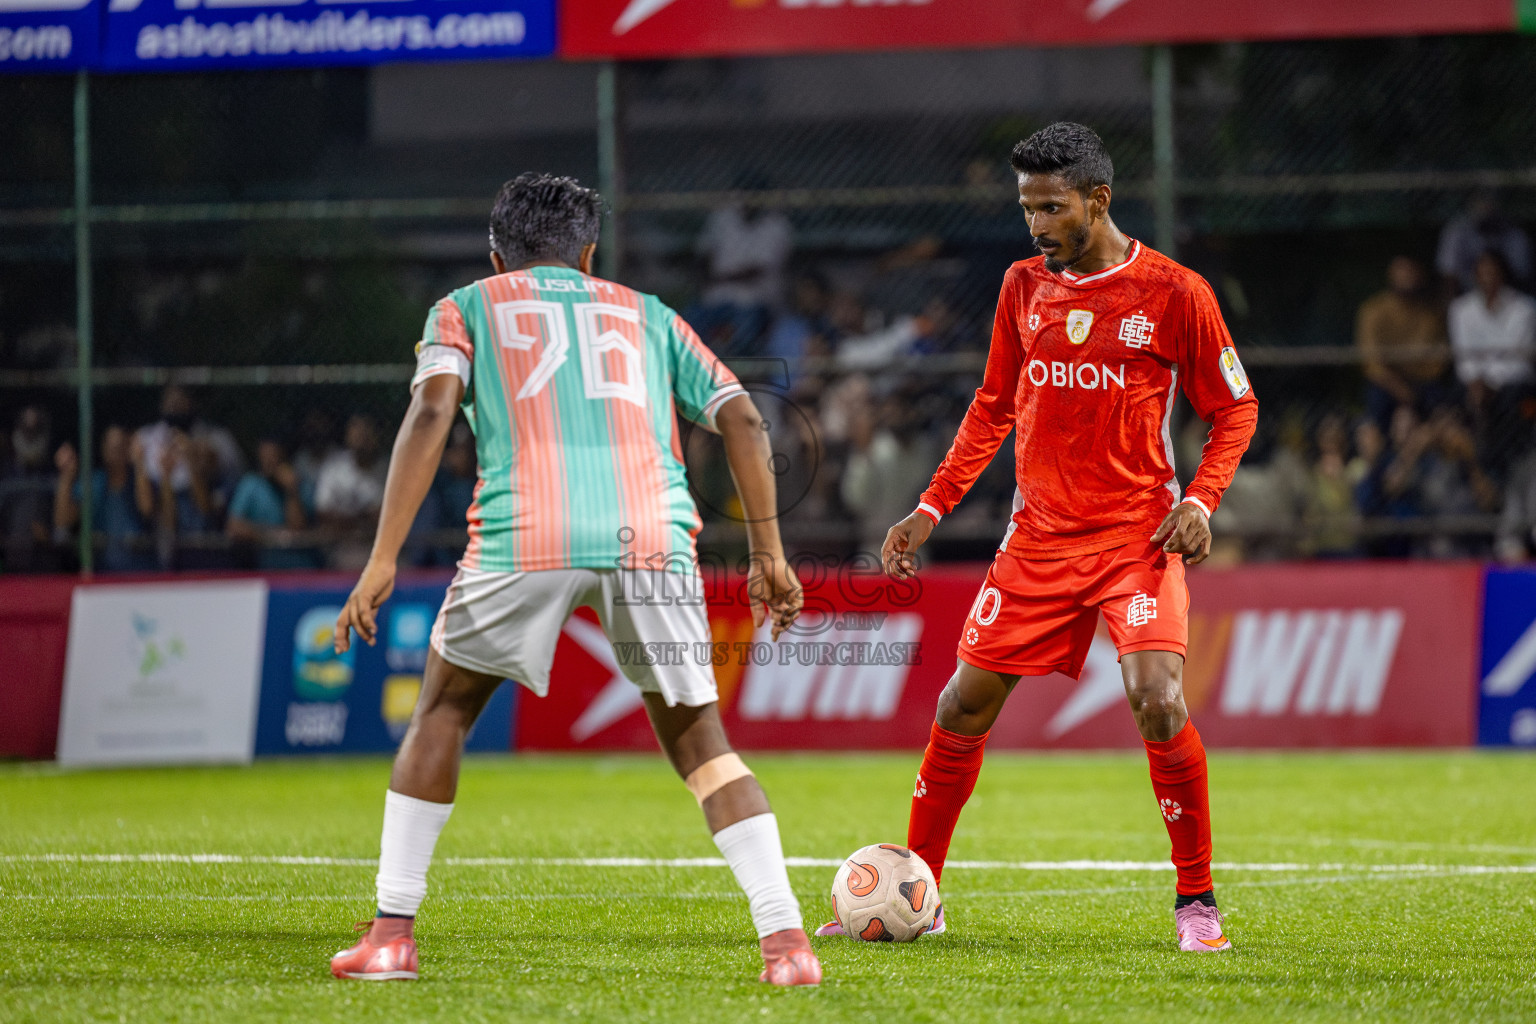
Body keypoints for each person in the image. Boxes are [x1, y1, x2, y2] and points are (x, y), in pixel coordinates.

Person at [328, 173, 819, 987]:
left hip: (526, 532)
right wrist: (768, 553)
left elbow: (432, 411)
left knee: (443, 711)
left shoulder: (465, 306)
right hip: (653, 537)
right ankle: (788, 945)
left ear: (497, 257)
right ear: (590, 255)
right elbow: (741, 415)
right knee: (703, 744)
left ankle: (391, 938)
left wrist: (382, 558)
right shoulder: (649, 313)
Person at [817, 123, 1259, 952]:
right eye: (1027, 207)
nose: (1036, 224)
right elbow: (993, 406)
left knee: (1158, 699)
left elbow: (1236, 408)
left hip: (1135, 538)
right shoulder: (1023, 286)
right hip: (1037, 540)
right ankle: (920, 893)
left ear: (1099, 199)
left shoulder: (1175, 293)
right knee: (961, 704)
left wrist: (1201, 501)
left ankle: (1196, 902)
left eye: (1052, 207)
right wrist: (930, 507)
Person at [1448, 251, 1536, 476]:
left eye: (1493, 272)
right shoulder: (1460, 309)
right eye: (1483, 273)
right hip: (1473, 383)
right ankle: (1471, 466)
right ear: (1475, 276)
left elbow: (1518, 356)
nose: (1488, 278)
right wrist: (1477, 381)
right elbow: (1464, 356)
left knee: (1513, 402)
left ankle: (1502, 465)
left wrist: (1490, 384)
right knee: (1453, 401)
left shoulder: (1525, 308)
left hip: (1513, 382)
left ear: (1503, 274)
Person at [1354, 256, 1450, 428]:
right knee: (1376, 407)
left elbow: (1437, 360)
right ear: (1391, 275)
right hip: (1386, 383)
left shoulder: (1432, 313)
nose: (1407, 277)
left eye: (1411, 271)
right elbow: (1372, 363)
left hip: (1423, 382)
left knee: (1442, 410)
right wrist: (1400, 387)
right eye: (1402, 271)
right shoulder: (1373, 310)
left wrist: (1414, 374)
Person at [53, 425, 155, 573]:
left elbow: (147, 509)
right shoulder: (93, 484)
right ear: (103, 449)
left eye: (120, 447)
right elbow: (63, 522)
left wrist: (140, 463)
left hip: (141, 574)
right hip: (102, 575)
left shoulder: (139, 481)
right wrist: (66, 477)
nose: (116, 452)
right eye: (112, 447)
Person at [226, 437, 317, 570]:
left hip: (303, 567)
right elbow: (234, 526)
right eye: (264, 457)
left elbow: (297, 529)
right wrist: (272, 536)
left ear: (284, 458)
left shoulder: (302, 485)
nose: (268, 462)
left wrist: (292, 491)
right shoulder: (251, 484)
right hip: (266, 567)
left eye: (273, 457)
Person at [314, 413, 387, 569]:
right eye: (355, 429)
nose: (361, 435)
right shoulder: (334, 466)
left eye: (366, 429)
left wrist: (348, 519)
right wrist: (362, 518)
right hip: (341, 546)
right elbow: (323, 512)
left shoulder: (388, 468)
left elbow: (386, 517)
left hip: (380, 546)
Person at [0, 405, 61, 573]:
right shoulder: (5, 476)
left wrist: (49, 536)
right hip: (11, 568)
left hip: (47, 568)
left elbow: (66, 530)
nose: (30, 439)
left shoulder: (53, 476)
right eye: (26, 432)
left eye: (35, 432)